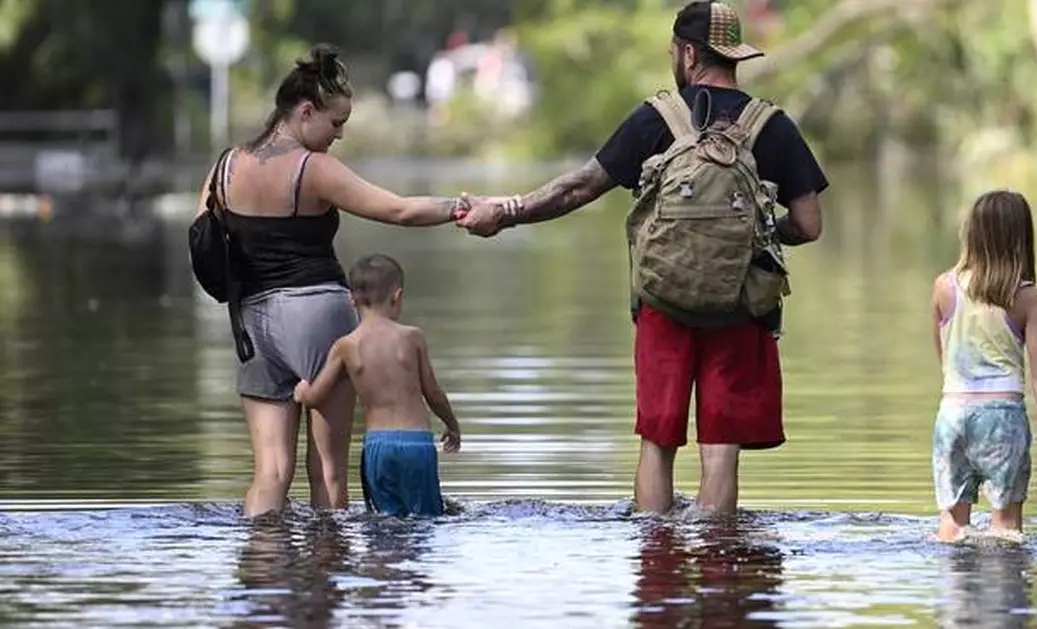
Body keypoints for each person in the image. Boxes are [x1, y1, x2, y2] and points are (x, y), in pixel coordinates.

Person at [457, 1, 828, 515]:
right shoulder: (772, 125)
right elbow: (809, 225)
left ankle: (658, 564)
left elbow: (578, 188)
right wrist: (759, 232)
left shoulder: (658, 118)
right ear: (734, 55)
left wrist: (507, 210)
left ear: (689, 54)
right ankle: (718, 564)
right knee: (720, 454)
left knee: (658, 442)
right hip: (741, 307)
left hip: (663, 305)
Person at [193, 44, 468, 518]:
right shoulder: (312, 168)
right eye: (335, 123)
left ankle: (264, 581)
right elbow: (398, 209)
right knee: (327, 470)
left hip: (251, 326)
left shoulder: (224, 167)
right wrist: (461, 207)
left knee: (270, 472)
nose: (338, 135)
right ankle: (329, 582)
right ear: (305, 112)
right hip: (317, 316)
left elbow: (204, 242)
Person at [931, 189, 1037, 541]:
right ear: (1021, 237)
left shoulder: (944, 287)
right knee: (1006, 531)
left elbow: (944, 360)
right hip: (1002, 418)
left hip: (952, 413)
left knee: (951, 528)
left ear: (972, 233)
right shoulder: (1029, 299)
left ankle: (955, 592)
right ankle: (1006, 593)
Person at [294, 254, 462, 517]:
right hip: (416, 444)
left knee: (384, 524)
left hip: (378, 447)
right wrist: (452, 425)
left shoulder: (346, 346)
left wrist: (302, 391)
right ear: (397, 296)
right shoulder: (412, 337)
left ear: (351, 299)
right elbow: (434, 393)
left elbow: (316, 397)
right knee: (426, 520)